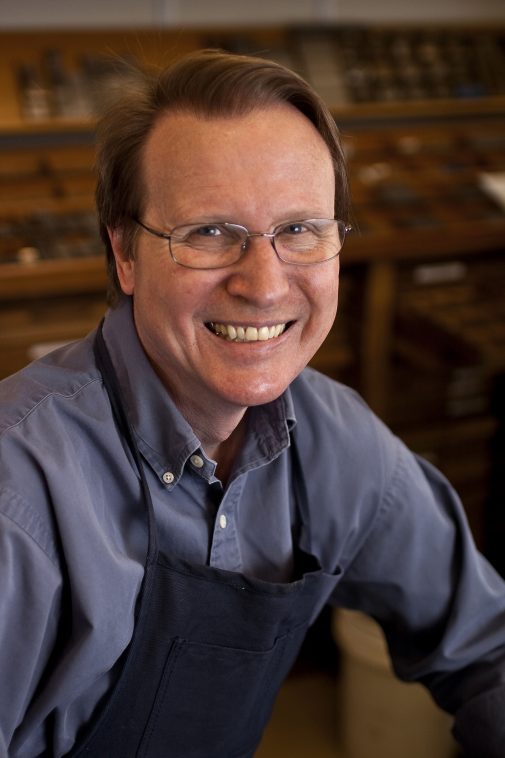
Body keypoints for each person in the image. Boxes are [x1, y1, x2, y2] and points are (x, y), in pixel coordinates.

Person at [0, 48, 504, 758]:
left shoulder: (333, 437)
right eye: (209, 233)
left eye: (299, 229)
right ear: (124, 254)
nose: (265, 285)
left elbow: (488, 646)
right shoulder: (18, 497)